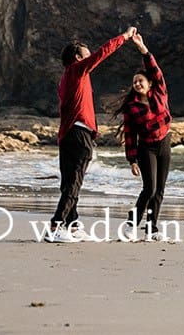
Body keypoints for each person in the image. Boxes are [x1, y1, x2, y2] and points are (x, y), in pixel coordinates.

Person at [46, 25, 136, 243]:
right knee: (74, 182)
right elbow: (102, 53)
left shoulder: (66, 78)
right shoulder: (77, 70)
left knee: (69, 182)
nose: (90, 56)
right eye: (86, 54)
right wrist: (124, 36)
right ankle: (55, 226)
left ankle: (73, 226)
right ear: (78, 57)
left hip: (67, 134)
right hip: (78, 133)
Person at [117, 31, 173, 240]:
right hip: (146, 148)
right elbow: (130, 134)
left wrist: (143, 49)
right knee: (149, 189)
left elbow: (155, 70)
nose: (137, 84)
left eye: (140, 80)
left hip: (164, 142)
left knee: (160, 190)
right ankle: (132, 224)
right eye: (134, 82)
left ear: (149, 83)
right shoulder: (131, 107)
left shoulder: (160, 92)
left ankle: (152, 229)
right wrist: (132, 160)